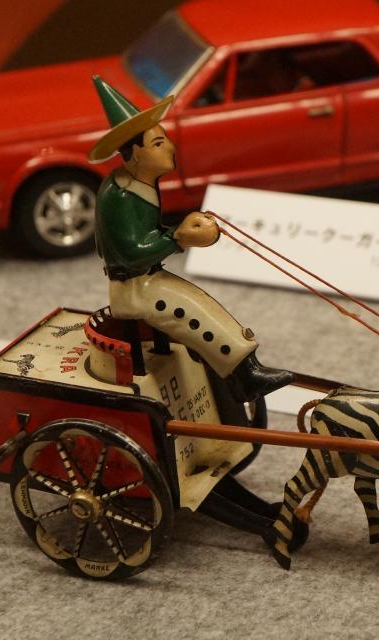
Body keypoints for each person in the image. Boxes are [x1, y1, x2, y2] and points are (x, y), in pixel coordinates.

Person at [88, 76, 292, 402]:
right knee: (194, 314)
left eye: (165, 139)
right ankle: (244, 378)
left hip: (146, 279)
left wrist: (178, 234)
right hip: (132, 288)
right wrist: (179, 237)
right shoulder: (120, 196)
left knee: (204, 302)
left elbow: (149, 237)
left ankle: (246, 371)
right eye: (158, 143)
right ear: (135, 154)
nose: (170, 147)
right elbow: (131, 253)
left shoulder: (136, 183)